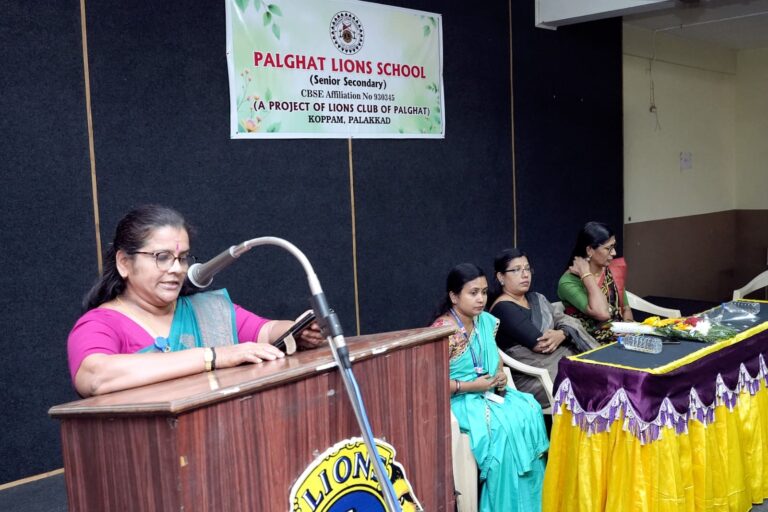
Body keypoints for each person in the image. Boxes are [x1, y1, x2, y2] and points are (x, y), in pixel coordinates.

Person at [68, 204, 324, 397]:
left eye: (182, 258)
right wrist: (212, 357)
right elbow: (95, 376)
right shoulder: (100, 324)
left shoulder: (208, 310)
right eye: (162, 257)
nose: (177, 269)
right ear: (124, 262)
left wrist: (296, 331)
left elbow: (265, 331)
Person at [431, 263, 549, 512]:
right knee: (503, 430)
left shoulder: (484, 321)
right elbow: (432, 383)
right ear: (454, 296)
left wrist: (499, 375)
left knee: (530, 408)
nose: (481, 299)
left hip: (487, 392)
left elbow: (494, 358)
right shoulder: (443, 331)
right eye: (473, 293)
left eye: (484, 292)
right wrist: (471, 385)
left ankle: (532, 503)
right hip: (459, 400)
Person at [489, 249, 598, 406]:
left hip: (559, 364)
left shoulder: (536, 298)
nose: (525, 275)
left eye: (527, 268)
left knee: (602, 375)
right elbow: (542, 344)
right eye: (516, 270)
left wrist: (562, 333)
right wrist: (564, 332)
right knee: (595, 380)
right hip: (534, 378)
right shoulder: (503, 308)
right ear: (501, 277)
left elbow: (565, 320)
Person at [557, 221, 632, 342]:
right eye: (608, 248)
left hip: (621, 340)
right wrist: (586, 274)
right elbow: (602, 313)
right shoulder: (568, 281)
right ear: (590, 250)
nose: (614, 253)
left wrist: (628, 327)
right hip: (590, 344)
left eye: (614, 247)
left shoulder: (612, 271)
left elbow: (626, 309)